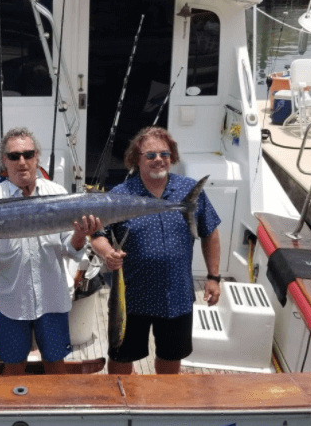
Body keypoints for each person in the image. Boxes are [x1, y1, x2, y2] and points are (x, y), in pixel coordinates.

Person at [0, 127, 103, 375]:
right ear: (4, 161)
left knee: (56, 365)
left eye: (28, 154)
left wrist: (80, 236)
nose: (22, 161)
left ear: (37, 157)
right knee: (13, 367)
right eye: (14, 156)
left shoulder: (58, 194)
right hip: (12, 304)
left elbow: (71, 251)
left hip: (53, 301)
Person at [90, 126, 221, 375]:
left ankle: (165, 398)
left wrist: (213, 277)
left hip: (177, 294)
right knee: (121, 356)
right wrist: (107, 253)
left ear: (172, 157)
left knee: (171, 357)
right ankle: (121, 396)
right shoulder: (120, 195)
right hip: (131, 297)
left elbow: (210, 232)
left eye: (165, 154)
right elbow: (97, 234)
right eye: (150, 155)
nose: (158, 159)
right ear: (136, 159)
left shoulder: (189, 190)